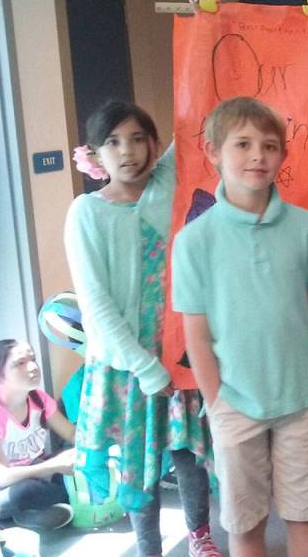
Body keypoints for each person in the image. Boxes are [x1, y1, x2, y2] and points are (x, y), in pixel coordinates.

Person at [172, 97, 308, 557]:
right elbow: (195, 333)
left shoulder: (304, 227)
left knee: (304, 513)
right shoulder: (194, 240)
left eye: (269, 145)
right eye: (243, 144)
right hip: (235, 403)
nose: (258, 155)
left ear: (282, 156)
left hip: (302, 396)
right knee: (246, 521)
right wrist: (215, 400)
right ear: (213, 152)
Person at [63, 101, 221, 557]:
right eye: (112, 142)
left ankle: (200, 536)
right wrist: (145, 368)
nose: (127, 151)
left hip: (178, 350)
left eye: (137, 139)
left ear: (154, 145)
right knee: (140, 462)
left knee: (187, 454)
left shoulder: (167, 184)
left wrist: (207, 30)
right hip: (127, 363)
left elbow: (196, 120)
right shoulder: (86, 212)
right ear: (95, 153)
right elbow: (96, 307)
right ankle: (149, 548)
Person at [0, 340, 76, 530]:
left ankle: (32, 513)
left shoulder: (39, 399)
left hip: (35, 470)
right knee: (23, 493)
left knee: (78, 462)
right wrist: (53, 466)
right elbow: (1, 476)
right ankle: (1, 515)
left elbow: (72, 434)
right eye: (20, 363)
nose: (33, 367)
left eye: (33, 359)